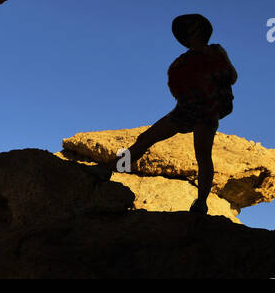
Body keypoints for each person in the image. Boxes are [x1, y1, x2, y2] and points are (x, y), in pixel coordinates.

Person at [96, 14, 237, 215]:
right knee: (146, 138)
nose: (192, 32)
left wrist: (211, 78)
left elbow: (232, 76)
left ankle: (201, 203)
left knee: (202, 154)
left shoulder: (215, 51)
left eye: (194, 28)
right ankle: (109, 169)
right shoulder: (183, 60)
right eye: (190, 29)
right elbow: (178, 86)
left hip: (207, 108)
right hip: (187, 108)